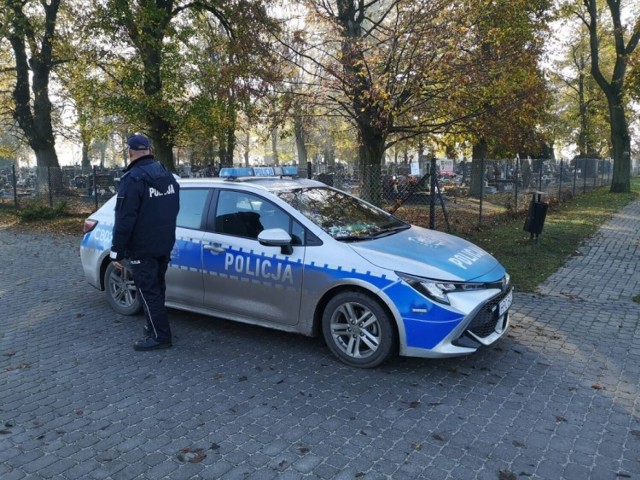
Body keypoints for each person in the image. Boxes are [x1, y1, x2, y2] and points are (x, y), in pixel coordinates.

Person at [110, 134, 180, 351]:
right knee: (157, 288)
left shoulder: (132, 179)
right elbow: (174, 208)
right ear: (150, 150)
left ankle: (160, 336)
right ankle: (154, 327)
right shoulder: (167, 175)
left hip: (142, 247)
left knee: (148, 291)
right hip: (164, 243)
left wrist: (117, 251)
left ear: (130, 152)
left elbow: (124, 219)